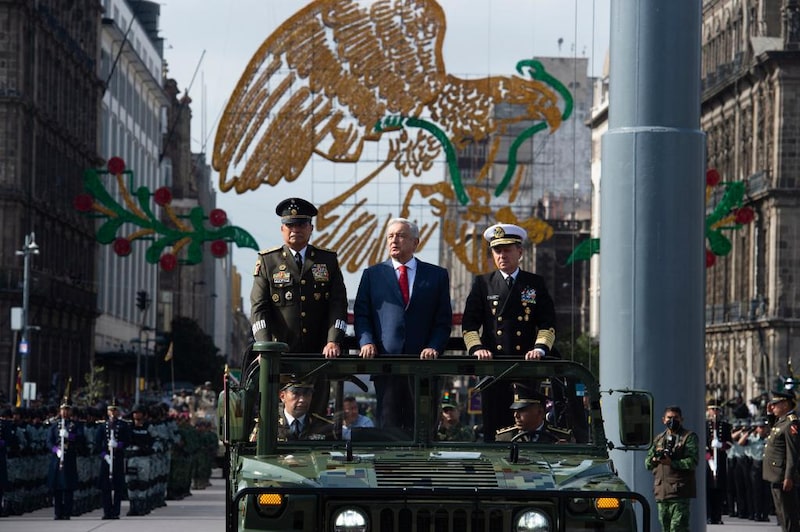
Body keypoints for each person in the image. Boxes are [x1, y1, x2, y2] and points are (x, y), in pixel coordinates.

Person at [250, 197, 348, 416]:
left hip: (319, 355)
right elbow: (258, 308)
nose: (296, 229)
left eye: (301, 224)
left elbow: (338, 304)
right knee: (275, 416)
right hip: (280, 356)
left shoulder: (327, 260)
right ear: (282, 229)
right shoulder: (268, 261)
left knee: (318, 416)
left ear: (311, 228)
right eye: (290, 225)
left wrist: (333, 339)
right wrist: (265, 346)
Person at [461, 223, 557, 441]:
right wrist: (478, 348)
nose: (502, 255)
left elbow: (548, 322)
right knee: (495, 429)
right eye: (497, 250)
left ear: (519, 251)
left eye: (507, 250)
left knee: (526, 428)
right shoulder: (483, 283)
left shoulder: (534, 284)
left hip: (525, 367)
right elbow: (469, 325)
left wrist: (540, 348)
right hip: (494, 369)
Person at [354, 217, 452, 430]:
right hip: (387, 364)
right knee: (388, 430)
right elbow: (362, 315)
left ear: (415, 242)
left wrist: (434, 346)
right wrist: (366, 342)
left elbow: (443, 320)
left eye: (400, 235)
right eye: (390, 236)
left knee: (422, 429)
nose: (394, 240)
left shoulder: (436, 275)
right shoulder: (373, 275)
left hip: (424, 367)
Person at [645, 405, 699, 532]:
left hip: (679, 492)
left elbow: (692, 462)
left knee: (678, 528)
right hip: (662, 492)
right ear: (663, 420)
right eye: (669, 418)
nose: (672, 421)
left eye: (676, 418)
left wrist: (672, 463)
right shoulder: (659, 439)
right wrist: (654, 460)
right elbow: (647, 463)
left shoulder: (688, 437)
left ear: (682, 420)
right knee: (666, 528)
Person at [762, 390, 800, 531]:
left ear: (785, 404)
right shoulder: (781, 421)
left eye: (775, 404)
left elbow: (792, 452)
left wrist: (789, 477)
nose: (772, 407)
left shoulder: (791, 423)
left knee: (788, 515)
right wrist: (770, 415)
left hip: (782, 475)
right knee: (782, 514)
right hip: (776, 474)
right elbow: (775, 431)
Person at [495, 384, 573, 443]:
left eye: (522, 410)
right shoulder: (505, 438)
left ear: (540, 412)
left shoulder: (561, 437)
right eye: (515, 410)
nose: (516, 415)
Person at [47, 402, 85, 520]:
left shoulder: (75, 425)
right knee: (57, 486)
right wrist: (55, 450)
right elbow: (49, 441)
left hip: (69, 457)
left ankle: (67, 512)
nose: (65, 412)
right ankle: (58, 512)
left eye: (67, 410)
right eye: (63, 410)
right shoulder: (54, 426)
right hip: (57, 458)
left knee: (68, 486)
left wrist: (70, 436)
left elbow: (81, 439)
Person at [95, 402, 130, 520]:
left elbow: (128, 440)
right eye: (110, 410)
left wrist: (118, 445)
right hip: (106, 459)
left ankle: (116, 511)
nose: (113, 413)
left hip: (118, 458)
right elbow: (97, 444)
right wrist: (104, 455)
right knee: (105, 487)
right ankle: (107, 511)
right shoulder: (102, 426)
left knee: (118, 486)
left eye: (115, 410)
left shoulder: (123, 425)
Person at [705, 401, 732, 524]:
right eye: (712, 409)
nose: (714, 412)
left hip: (720, 459)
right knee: (709, 489)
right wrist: (709, 458)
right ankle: (709, 515)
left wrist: (721, 445)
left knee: (720, 489)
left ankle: (718, 516)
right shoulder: (705, 425)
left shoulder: (725, 426)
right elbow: (702, 445)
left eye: (717, 409)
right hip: (709, 461)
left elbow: (730, 443)